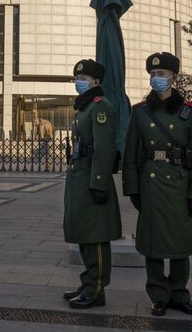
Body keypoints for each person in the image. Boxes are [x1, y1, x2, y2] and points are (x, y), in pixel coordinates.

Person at [122, 52, 192, 317]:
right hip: (151, 185)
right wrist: (133, 189)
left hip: (180, 186)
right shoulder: (140, 113)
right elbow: (131, 154)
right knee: (154, 243)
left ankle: (180, 294)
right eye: (153, 74)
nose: (156, 78)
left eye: (161, 74)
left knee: (180, 244)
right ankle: (159, 295)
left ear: (174, 77)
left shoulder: (191, 114)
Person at [63, 58, 122, 309]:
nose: (79, 82)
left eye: (84, 79)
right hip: (80, 177)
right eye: (77, 78)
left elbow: (104, 149)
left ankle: (95, 290)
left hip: (91, 179)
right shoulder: (85, 107)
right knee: (85, 233)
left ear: (96, 82)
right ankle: (87, 282)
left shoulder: (99, 107)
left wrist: (99, 183)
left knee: (96, 235)